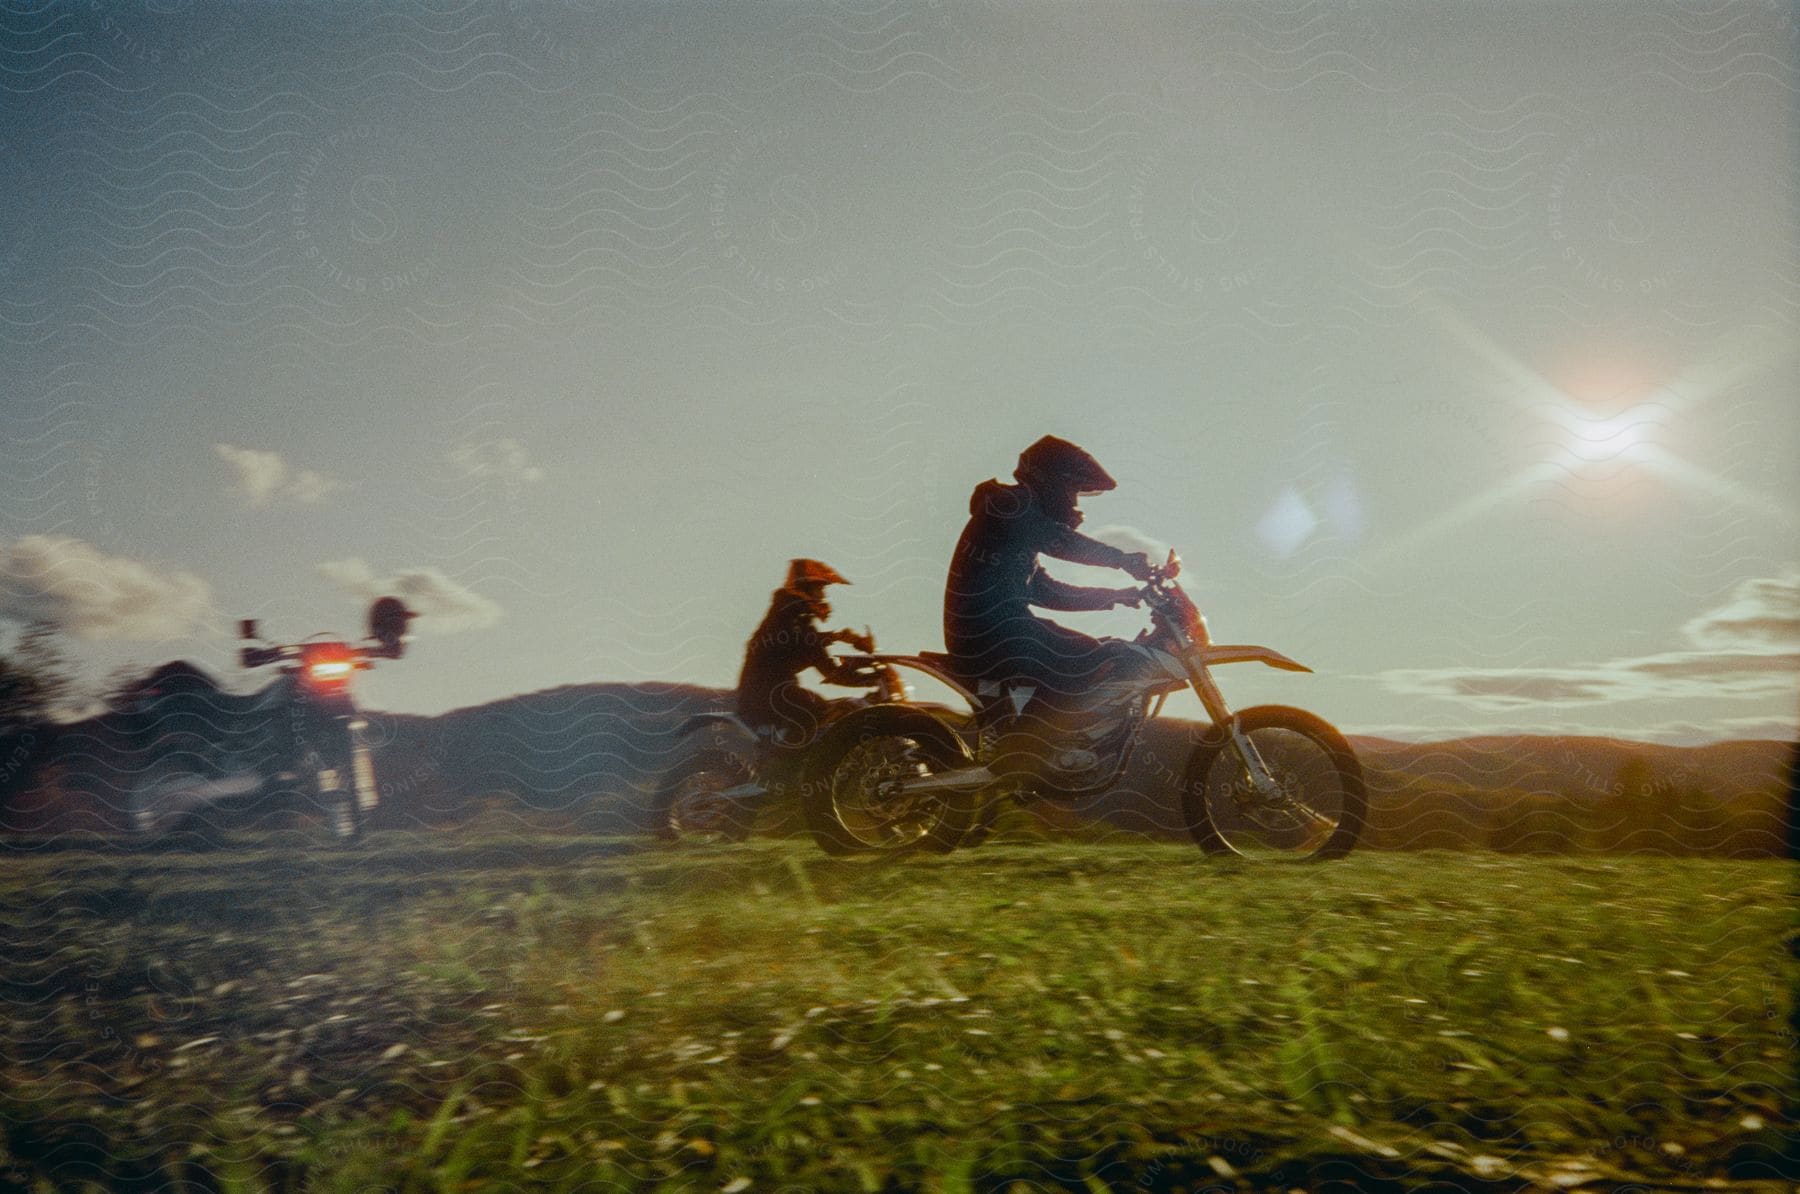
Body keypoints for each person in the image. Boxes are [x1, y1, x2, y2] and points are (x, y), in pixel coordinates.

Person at [943, 435, 1156, 708]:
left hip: (998, 631)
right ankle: (1051, 740)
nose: (1074, 502)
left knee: (1098, 652)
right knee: (1093, 657)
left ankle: (1052, 739)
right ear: (1052, 481)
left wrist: (1112, 597)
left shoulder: (1017, 522)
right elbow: (1062, 542)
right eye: (1073, 490)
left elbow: (1047, 590)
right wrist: (1123, 560)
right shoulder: (1012, 504)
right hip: (990, 634)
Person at [736, 558, 882, 744]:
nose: (822, 596)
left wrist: (872, 678)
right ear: (805, 588)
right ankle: (786, 765)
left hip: (771, 691)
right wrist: (871, 677)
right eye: (819, 589)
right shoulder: (788, 615)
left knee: (827, 709)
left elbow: (822, 662)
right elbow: (809, 649)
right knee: (815, 709)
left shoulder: (794, 617)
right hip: (764, 694)